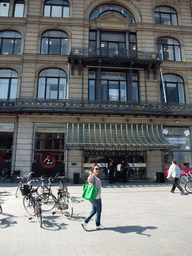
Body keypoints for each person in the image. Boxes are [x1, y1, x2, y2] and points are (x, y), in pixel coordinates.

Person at [81, 165, 106, 231]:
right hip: (96, 197)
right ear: (93, 170)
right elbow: (89, 180)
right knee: (98, 211)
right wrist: (91, 174)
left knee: (94, 211)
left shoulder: (95, 177)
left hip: (95, 197)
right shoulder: (93, 176)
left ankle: (86, 222)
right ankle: (96, 224)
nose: (97, 170)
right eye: (96, 169)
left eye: (98, 169)